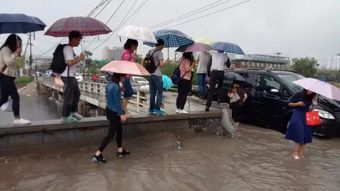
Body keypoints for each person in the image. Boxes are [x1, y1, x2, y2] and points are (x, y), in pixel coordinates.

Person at [92, 73, 129, 163]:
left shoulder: (110, 84)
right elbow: (117, 103)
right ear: (120, 76)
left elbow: (111, 97)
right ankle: (98, 154)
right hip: (114, 112)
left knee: (119, 131)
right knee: (111, 134)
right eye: (124, 77)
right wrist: (122, 114)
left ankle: (120, 151)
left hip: (109, 110)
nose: (125, 78)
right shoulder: (116, 87)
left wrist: (120, 90)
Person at [0, 34, 30, 125]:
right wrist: (16, 53)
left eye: (20, 44)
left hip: (9, 77)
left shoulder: (13, 51)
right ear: (13, 42)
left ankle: (17, 119)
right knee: (15, 97)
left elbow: (19, 66)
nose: (19, 46)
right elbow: (8, 62)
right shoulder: (5, 49)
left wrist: (20, 56)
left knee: (4, 99)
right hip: (4, 76)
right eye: (18, 43)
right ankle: (17, 119)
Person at [60, 31, 85, 123]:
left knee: (77, 94)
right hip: (68, 76)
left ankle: (72, 111)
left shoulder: (70, 49)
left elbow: (71, 61)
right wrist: (80, 58)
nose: (79, 42)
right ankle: (65, 116)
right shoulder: (68, 48)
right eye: (79, 40)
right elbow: (70, 63)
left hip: (71, 75)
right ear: (73, 39)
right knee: (68, 96)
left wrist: (78, 58)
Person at [285, 89, 316, 160]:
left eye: (312, 90)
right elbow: (289, 103)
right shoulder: (298, 94)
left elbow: (311, 109)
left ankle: (301, 153)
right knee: (300, 134)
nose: (310, 91)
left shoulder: (313, 97)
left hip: (308, 116)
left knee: (306, 135)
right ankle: (295, 153)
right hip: (298, 114)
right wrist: (298, 104)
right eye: (309, 89)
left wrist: (314, 104)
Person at [144, 39, 170, 115]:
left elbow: (144, 61)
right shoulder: (159, 53)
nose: (163, 47)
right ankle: (157, 109)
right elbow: (161, 65)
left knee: (152, 92)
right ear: (161, 45)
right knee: (160, 91)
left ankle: (151, 109)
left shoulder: (149, 51)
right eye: (163, 46)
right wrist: (167, 62)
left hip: (150, 74)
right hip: (157, 74)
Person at [120, 39, 138, 113]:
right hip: (125, 77)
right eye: (135, 46)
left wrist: (134, 58)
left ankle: (123, 109)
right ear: (132, 45)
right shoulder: (127, 54)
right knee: (128, 93)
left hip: (125, 77)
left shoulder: (128, 53)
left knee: (127, 93)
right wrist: (134, 59)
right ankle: (123, 110)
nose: (136, 48)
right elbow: (128, 66)